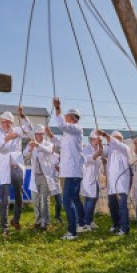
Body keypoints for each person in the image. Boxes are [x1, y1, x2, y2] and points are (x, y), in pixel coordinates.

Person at [52, 97, 85, 240]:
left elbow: (61, 125)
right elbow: (60, 143)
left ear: (72, 118)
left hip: (73, 172)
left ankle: (72, 232)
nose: (64, 118)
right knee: (74, 199)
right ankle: (80, 224)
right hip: (70, 172)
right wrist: (49, 135)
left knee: (67, 201)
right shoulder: (69, 133)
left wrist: (57, 108)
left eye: (66, 116)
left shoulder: (76, 128)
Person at [0, 111, 27, 235]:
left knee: (19, 198)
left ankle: (15, 220)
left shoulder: (17, 131)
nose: (5, 124)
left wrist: (23, 116)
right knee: (5, 199)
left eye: (8, 121)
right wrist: (7, 138)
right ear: (0, 122)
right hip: (5, 170)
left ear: (12, 122)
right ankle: (4, 227)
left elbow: (29, 128)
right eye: (3, 121)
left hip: (17, 168)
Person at [23, 124, 56, 231]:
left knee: (44, 201)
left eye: (41, 134)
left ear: (43, 134)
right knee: (35, 200)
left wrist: (38, 145)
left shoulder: (48, 144)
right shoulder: (32, 145)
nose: (39, 136)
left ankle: (44, 223)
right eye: (37, 134)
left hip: (45, 177)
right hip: (35, 176)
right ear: (35, 135)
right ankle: (37, 221)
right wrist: (29, 148)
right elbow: (24, 156)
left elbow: (49, 151)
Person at [98, 129, 131, 235]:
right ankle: (116, 225)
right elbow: (102, 152)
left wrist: (104, 135)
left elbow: (115, 144)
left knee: (122, 206)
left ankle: (124, 229)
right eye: (113, 139)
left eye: (117, 139)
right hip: (112, 184)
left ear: (121, 140)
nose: (114, 141)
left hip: (121, 183)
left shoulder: (124, 149)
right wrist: (100, 143)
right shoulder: (110, 151)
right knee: (112, 206)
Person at [80, 130, 104, 232]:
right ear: (90, 139)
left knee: (94, 201)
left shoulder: (100, 149)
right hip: (88, 179)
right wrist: (95, 155)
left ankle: (91, 220)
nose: (96, 141)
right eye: (94, 139)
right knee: (89, 202)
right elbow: (84, 160)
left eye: (98, 140)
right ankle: (86, 222)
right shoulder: (86, 149)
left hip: (96, 179)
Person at [44, 126, 64, 224]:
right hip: (47, 181)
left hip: (55, 181)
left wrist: (59, 168)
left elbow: (61, 167)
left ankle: (58, 215)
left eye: (52, 147)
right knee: (45, 201)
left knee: (59, 201)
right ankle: (46, 218)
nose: (51, 149)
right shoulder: (45, 156)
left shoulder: (58, 156)